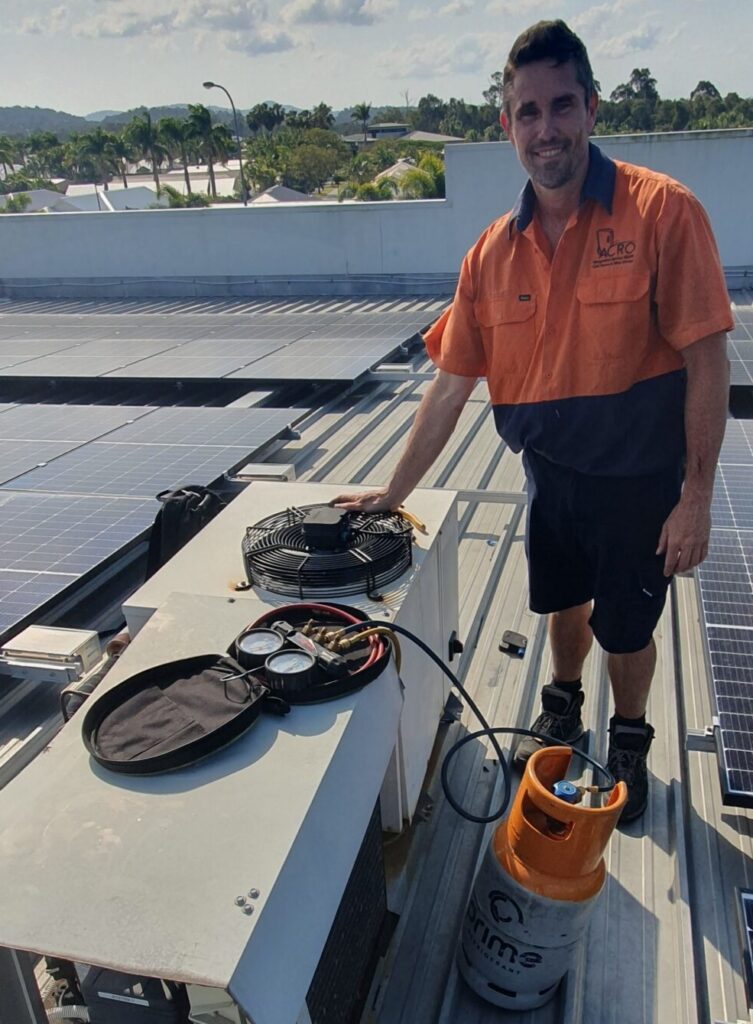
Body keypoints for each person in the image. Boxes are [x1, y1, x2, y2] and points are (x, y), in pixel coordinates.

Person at [334, 19, 732, 822]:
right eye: (527, 111)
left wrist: (694, 497)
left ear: (590, 108)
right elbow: (449, 388)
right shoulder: (490, 253)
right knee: (561, 603)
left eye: (560, 106)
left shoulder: (661, 212)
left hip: (637, 482)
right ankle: (561, 705)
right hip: (549, 475)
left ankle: (627, 736)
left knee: (627, 628)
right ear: (507, 124)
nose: (545, 129)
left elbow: (708, 361)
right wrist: (391, 492)